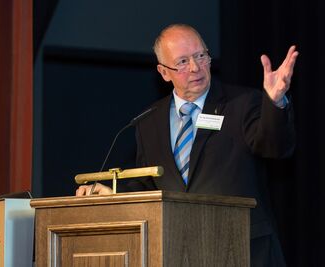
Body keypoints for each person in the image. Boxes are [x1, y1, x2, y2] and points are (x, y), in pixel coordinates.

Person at [76, 23, 298, 266]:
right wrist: (113, 195)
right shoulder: (149, 120)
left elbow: (275, 147)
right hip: (177, 251)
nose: (195, 67)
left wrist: (275, 103)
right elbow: (147, 186)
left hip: (242, 250)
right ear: (163, 72)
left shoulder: (243, 103)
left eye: (200, 56)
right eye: (182, 61)